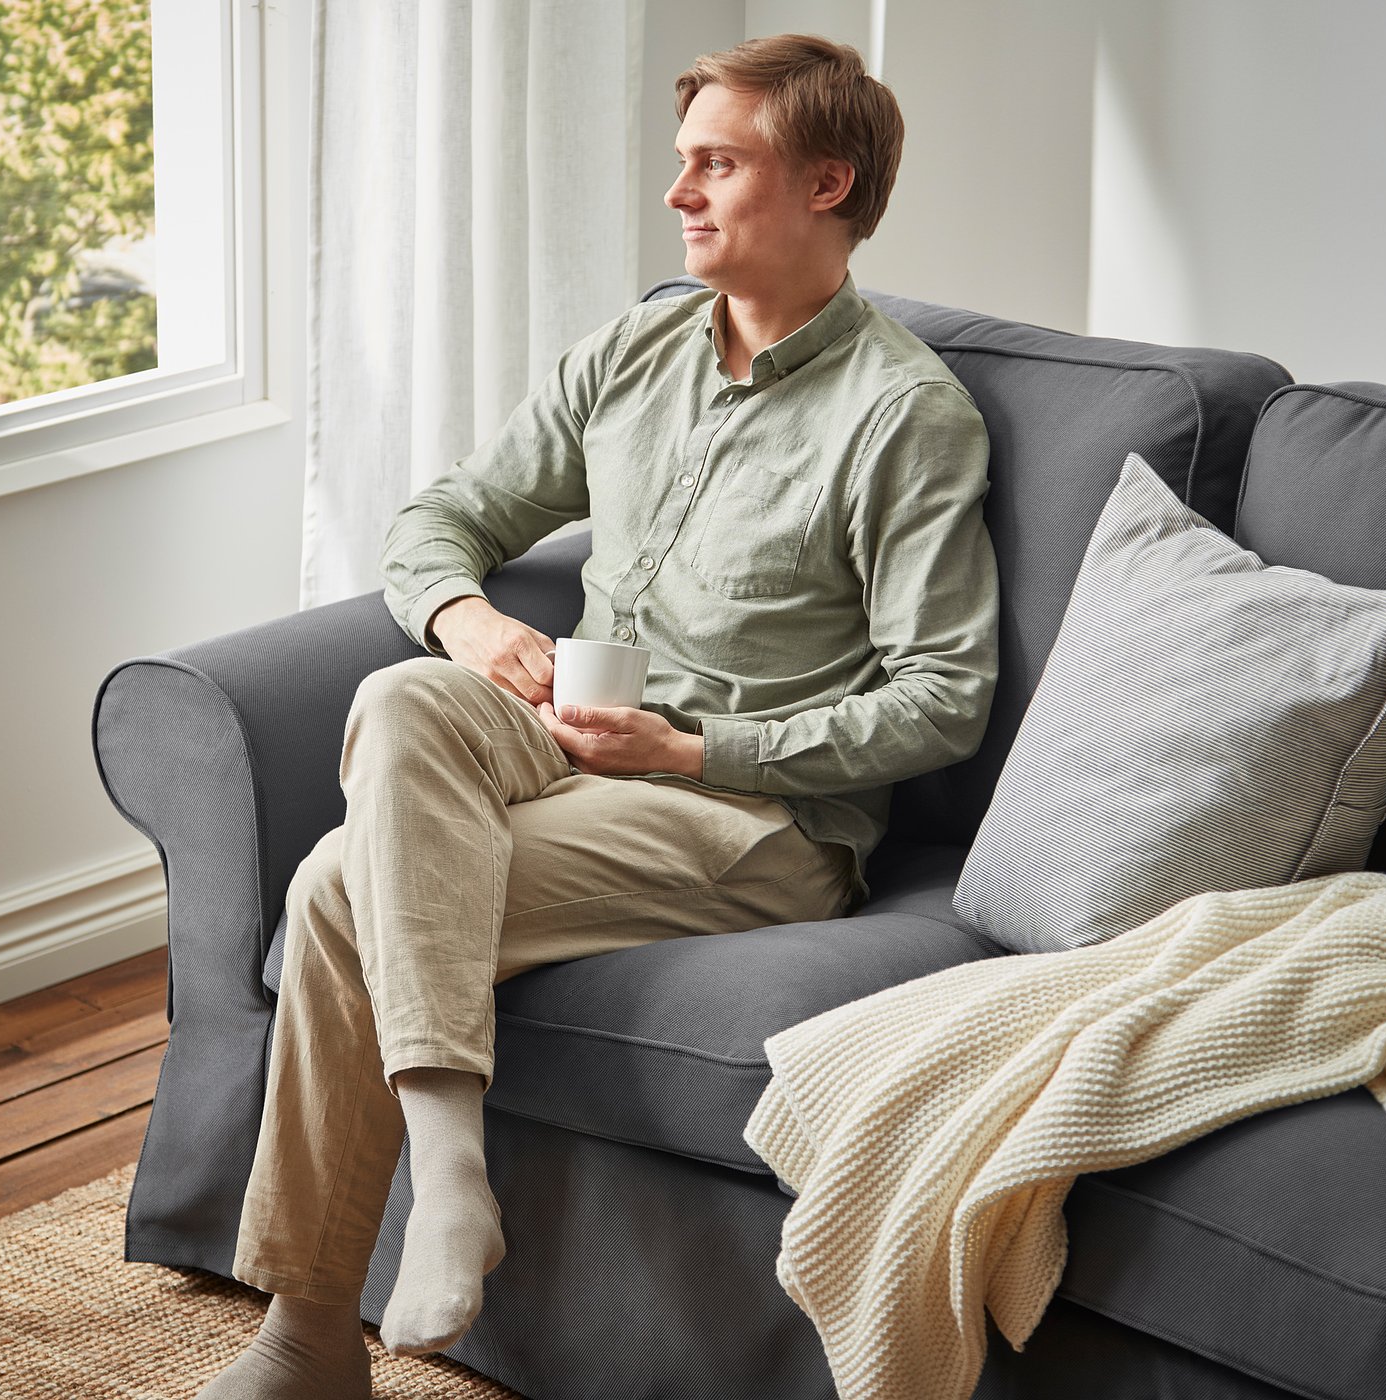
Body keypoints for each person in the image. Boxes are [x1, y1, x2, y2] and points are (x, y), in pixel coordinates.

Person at [198, 33, 999, 1399]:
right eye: (682, 163)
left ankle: (313, 1330)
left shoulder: (904, 417)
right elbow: (442, 519)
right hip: (564, 743)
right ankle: (444, 1176)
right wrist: (474, 624)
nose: (678, 194)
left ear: (826, 184)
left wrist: (692, 747)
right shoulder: (637, 349)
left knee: (338, 886)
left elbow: (943, 699)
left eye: (716, 165)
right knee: (405, 692)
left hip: (752, 813)